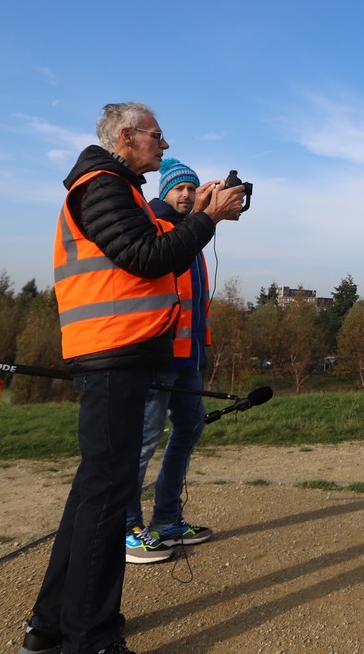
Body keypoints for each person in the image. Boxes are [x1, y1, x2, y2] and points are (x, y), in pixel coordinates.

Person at [19, 103, 243, 654]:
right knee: (106, 497)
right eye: (157, 136)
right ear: (126, 136)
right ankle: (91, 637)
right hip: (113, 352)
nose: (164, 145)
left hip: (120, 352)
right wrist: (208, 220)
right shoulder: (102, 186)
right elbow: (146, 256)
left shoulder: (120, 189)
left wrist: (201, 211)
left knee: (94, 492)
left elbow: (155, 243)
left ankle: (50, 628)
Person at [124, 157, 214, 565]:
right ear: (165, 192)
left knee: (190, 426)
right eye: (180, 188)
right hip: (158, 355)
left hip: (186, 359)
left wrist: (200, 348)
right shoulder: (154, 227)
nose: (187, 195)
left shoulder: (191, 233)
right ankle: (127, 527)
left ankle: (166, 518)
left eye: (192, 189)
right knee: (143, 440)